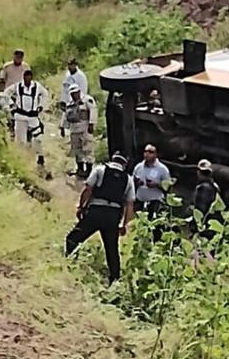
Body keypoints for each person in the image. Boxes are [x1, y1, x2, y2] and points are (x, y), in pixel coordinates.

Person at [66, 153, 136, 283]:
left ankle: (68, 264)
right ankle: (114, 279)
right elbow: (130, 205)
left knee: (73, 238)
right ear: (124, 165)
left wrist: (81, 207)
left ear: (112, 161)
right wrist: (124, 224)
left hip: (96, 212)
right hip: (113, 216)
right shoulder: (128, 179)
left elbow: (88, 189)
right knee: (112, 251)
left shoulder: (100, 170)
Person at [5, 69, 50, 177]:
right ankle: (22, 162)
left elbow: (45, 94)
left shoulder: (37, 87)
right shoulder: (18, 86)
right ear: (23, 77)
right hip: (20, 115)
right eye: (26, 77)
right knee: (21, 140)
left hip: (33, 116)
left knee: (38, 138)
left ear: (32, 77)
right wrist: (11, 104)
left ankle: (40, 156)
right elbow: (6, 93)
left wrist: (41, 106)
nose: (27, 79)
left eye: (29, 77)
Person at [64, 86, 96, 178]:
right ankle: (80, 168)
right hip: (74, 129)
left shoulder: (87, 100)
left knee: (88, 149)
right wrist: (63, 127)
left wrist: (91, 124)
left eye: (75, 93)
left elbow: (93, 111)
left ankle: (89, 170)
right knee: (77, 149)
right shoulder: (70, 103)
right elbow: (66, 115)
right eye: (72, 94)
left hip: (85, 128)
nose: (74, 95)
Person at [132, 143, 172, 217]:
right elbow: (132, 182)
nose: (147, 154)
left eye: (150, 152)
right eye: (145, 151)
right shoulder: (138, 167)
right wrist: (137, 182)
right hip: (140, 201)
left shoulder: (162, 169)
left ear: (156, 154)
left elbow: (168, 186)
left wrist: (156, 185)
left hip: (155, 202)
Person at [59, 58, 89, 136]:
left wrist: (80, 101)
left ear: (75, 65)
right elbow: (64, 87)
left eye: (72, 65)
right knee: (66, 119)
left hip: (77, 101)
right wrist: (62, 100)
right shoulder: (67, 74)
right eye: (69, 65)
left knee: (75, 119)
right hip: (68, 100)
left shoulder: (81, 76)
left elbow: (83, 89)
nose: (70, 67)